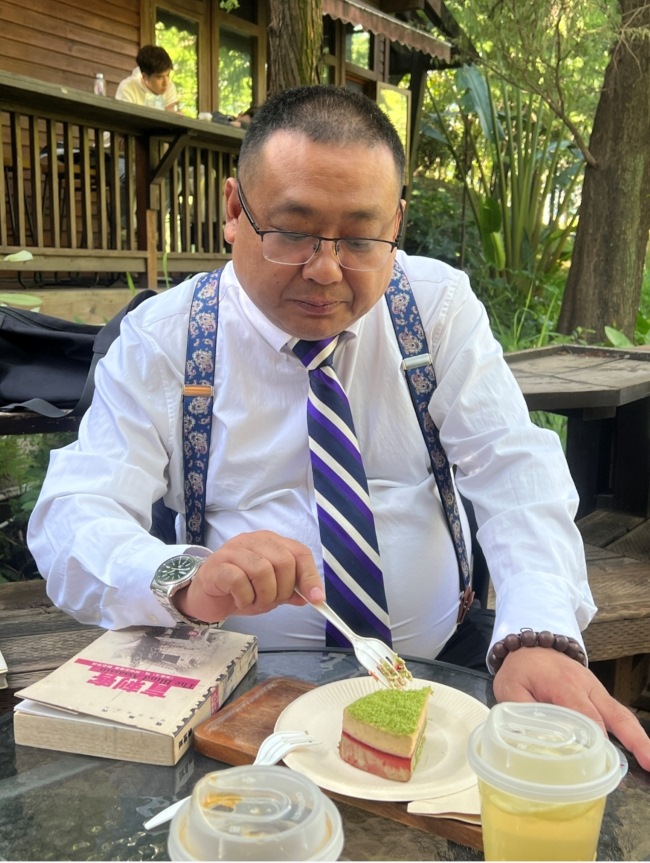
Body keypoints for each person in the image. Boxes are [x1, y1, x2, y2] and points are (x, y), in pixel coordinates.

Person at [27, 85, 650, 770]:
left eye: (360, 238)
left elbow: (513, 468)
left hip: (447, 667)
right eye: (292, 232)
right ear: (234, 211)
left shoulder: (435, 310)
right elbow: (73, 514)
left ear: (397, 223)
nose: (325, 270)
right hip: (239, 691)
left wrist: (538, 630)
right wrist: (184, 577)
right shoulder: (167, 339)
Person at [115, 45, 180, 113]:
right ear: (145, 76)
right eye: (159, 77)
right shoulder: (128, 88)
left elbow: (173, 114)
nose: (166, 83)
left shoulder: (169, 86)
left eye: (168, 75)